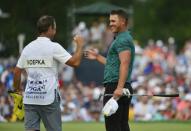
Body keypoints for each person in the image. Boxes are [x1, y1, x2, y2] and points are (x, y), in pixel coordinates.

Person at [13, 15, 84, 131]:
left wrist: (17, 91)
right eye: (55, 28)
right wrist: (80, 45)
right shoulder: (53, 47)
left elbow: (16, 72)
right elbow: (75, 62)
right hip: (49, 98)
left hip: (30, 97)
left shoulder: (27, 48)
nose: (55, 30)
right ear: (50, 28)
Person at [85, 9, 135, 131]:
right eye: (110, 21)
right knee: (122, 125)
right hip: (120, 85)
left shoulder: (122, 39)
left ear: (123, 22)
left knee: (113, 126)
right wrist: (97, 57)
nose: (110, 23)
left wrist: (119, 88)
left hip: (116, 86)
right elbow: (114, 64)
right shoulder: (121, 39)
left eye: (113, 21)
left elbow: (125, 63)